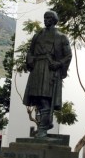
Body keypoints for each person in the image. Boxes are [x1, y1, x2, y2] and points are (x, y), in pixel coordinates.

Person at [23, 10, 72, 138]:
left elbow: (68, 55)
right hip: (37, 68)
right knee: (38, 99)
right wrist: (30, 61)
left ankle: (44, 128)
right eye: (45, 17)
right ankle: (44, 125)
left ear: (54, 20)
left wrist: (58, 64)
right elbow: (30, 52)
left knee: (45, 99)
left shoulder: (61, 37)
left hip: (50, 70)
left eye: (49, 18)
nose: (46, 20)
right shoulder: (37, 35)